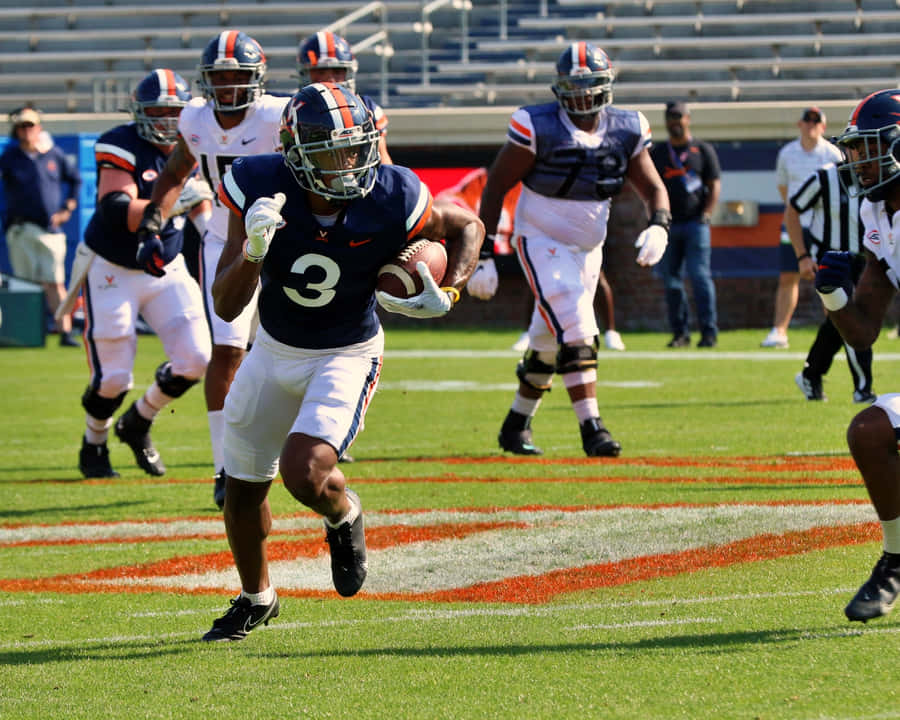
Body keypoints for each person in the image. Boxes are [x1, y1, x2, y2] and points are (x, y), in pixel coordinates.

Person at [199, 82, 482, 641]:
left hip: (346, 351)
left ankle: (342, 513)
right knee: (241, 488)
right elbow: (227, 305)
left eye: (357, 149)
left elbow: (466, 225)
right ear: (296, 153)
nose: (351, 164)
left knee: (304, 472)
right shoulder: (258, 183)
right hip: (273, 348)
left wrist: (452, 289)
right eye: (334, 152)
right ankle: (257, 598)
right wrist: (254, 250)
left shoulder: (394, 194)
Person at [466, 42, 670, 458]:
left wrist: (659, 224)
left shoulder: (628, 127)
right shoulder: (536, 124)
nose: (582, 95)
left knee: (545, 342)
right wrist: (482, 254)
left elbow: (653, 187)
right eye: (574, 87)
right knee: (578, 326)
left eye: (590, 85)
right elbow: (496, 186)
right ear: (559, 88)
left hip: (589, 248)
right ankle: (592, 428)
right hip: (540, 237)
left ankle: (515, 425)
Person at [139, 30, 290, 509]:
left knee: (286, 347)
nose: (227, 86)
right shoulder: (194, 118)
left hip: (286, 240)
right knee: (226, 349)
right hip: (226, 241)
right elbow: (175, 170)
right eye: (220, 77)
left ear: (256, 78)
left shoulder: (278, 113)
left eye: (236, 76)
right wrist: (153, 221)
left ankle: (299, 443)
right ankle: (225, 467)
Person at [77, 70, 211, 479]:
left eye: (174, 112)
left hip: (166, 266)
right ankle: (94, 441)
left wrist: (213, 238)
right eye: (158, 112)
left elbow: (202, 203)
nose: (168, 121)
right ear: (139, 112)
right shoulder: (121, 142)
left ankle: (139, 419)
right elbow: (114, 206)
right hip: (114, 267)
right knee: (113, 378)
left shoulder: (198, 138)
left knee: (196, 358)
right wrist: (167, 206)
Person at [815, 88, 900, 622]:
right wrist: (833, 296)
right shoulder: (876, 210)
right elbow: (864, 331)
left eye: (868, 149)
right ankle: (896, 558)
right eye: (855, 150)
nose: (858, 161)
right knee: (869, 431)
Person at [440, 167, 626, 352]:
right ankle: (531, 334)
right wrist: (485, 256)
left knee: (596, 277)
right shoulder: (501, 176)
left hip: (576, 229)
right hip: (544, 232)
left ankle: (610, 332)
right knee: (539, 278)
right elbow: (476, 192)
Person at [789, 161, 874, 403]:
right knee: (851, 317)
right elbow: (792, 210)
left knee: (840, 322)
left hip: (868, 259)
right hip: (834, 259)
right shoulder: (825, 178)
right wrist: (802, 256)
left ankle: (811, 374)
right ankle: (863, 389)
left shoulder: (880, 176)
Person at [761, 106, 843, 348]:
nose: (811, 125)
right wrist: (796, 214)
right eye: (807, 121)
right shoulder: (787, 153)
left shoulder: (833, 154)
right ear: (800, 124)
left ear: (823, 126)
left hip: (825, 227)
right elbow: (784, 188)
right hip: (795, 226)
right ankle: (779, 331)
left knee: (829, 280)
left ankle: (836, 332)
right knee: (788, 276)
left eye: (816, 121)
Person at [0, 106, 82, 346]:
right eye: (22, 126)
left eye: (30, 126)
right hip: (22, 229)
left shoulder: (53, 154)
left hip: (50, 230)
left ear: (39, 128)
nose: (26, 130)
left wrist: (67, 208)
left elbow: (75, 180)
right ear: (17, 130)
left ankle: (65, 332)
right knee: (26, 284)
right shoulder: (10, 157)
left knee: (55, 282)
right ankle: (28, 333)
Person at [650, 101, 721, 348]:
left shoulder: (702, 150)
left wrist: (707, 213)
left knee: (700, 277)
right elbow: (650, 187)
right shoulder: (659, 153)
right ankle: (680, 333)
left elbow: (714, 184)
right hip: (668, 225)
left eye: (678, 116)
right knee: (671, 280)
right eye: (670, 117)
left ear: (687, 119)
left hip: (695, 224)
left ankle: (709, 333)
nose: (675, 122)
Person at [296, 30, 392, 165]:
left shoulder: (366, 107)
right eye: (320, 71)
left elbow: (383, 160)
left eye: (337, 71)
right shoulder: (294, 108)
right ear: (305, 73)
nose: (330, 79)